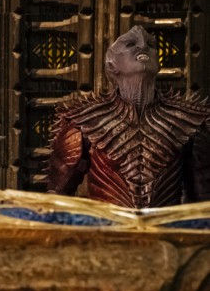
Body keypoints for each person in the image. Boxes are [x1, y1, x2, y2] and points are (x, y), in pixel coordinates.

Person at [48, 25, 210, 208]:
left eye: (150, 44)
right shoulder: (84, 120)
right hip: (108, 224)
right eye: (131, 44)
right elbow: (57, 197)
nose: (143, 46)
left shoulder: (189, 120)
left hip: (164, 224)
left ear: (158, 63)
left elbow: (203, 203)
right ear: (112, 65)